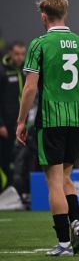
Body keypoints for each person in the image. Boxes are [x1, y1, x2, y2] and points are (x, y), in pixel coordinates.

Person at [16, 0, 79, 256]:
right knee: (66, 177)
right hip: (76, 119)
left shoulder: (39, 44)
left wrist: (21, 121)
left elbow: (30, 87)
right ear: (65, 13)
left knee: (53, 180)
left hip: (51, 120)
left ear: (43, 15)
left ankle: (64, 243)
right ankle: (75, 221)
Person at [0, 41, 26, 190]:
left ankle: (23, 192)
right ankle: (7, 191)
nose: (19, 57)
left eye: (22, 54)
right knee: (6, 159)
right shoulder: (2, 72)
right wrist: (1, 124)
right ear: (10, 53)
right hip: (7, 125)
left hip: (24, 123)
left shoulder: (27, 70)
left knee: (23, 160)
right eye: (17, 54)